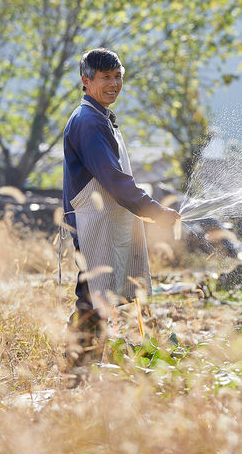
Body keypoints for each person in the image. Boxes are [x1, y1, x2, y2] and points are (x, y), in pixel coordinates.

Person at [62, 47, 179, 368]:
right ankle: (77, 366)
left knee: (99, 291)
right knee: (92, 292)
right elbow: (114, 181)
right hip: (92, 222)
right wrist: (154, 211)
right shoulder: (88, 122)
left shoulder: (100, 117)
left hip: (107, 221)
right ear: (86, 81)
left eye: (118, 77)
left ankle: (87, 362)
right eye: (105, 78)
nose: (113, 84)